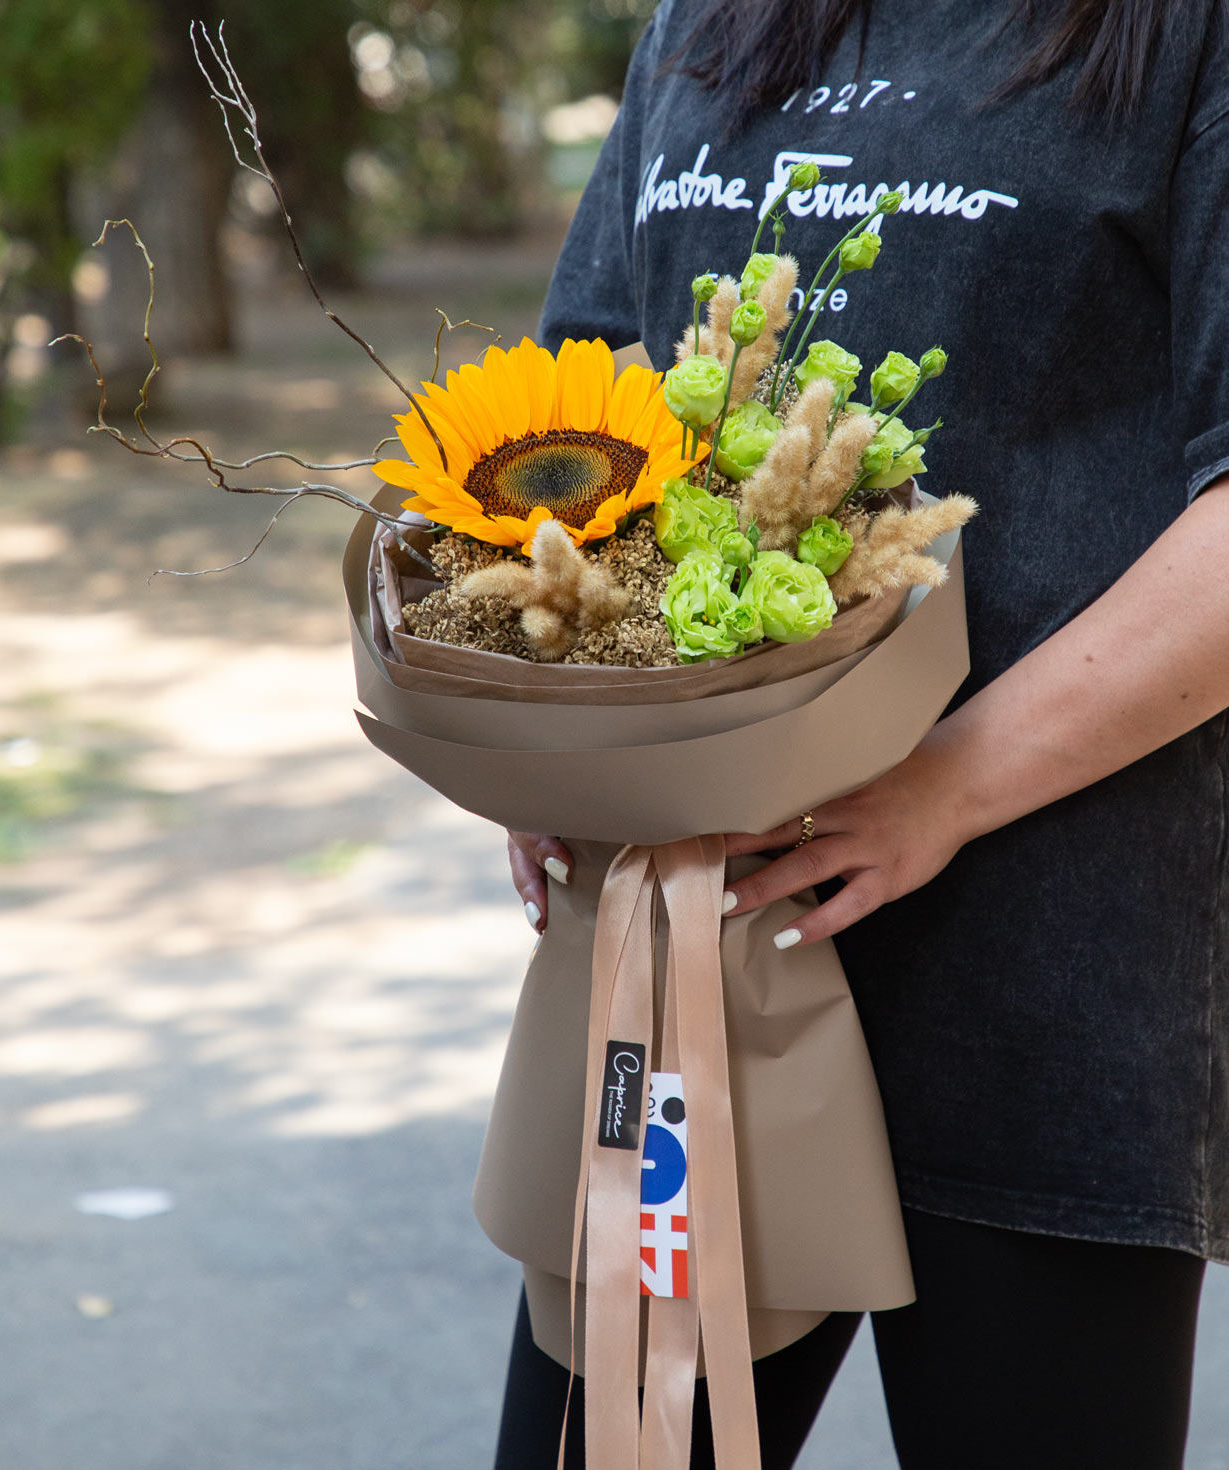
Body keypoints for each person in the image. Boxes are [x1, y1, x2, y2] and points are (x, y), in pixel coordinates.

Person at [495, 0, 1229, 1464]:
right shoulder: (706, 22)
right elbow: (578, 406)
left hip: (1042, 985)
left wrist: (937, 788)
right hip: (695, 961)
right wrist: (547, 717)